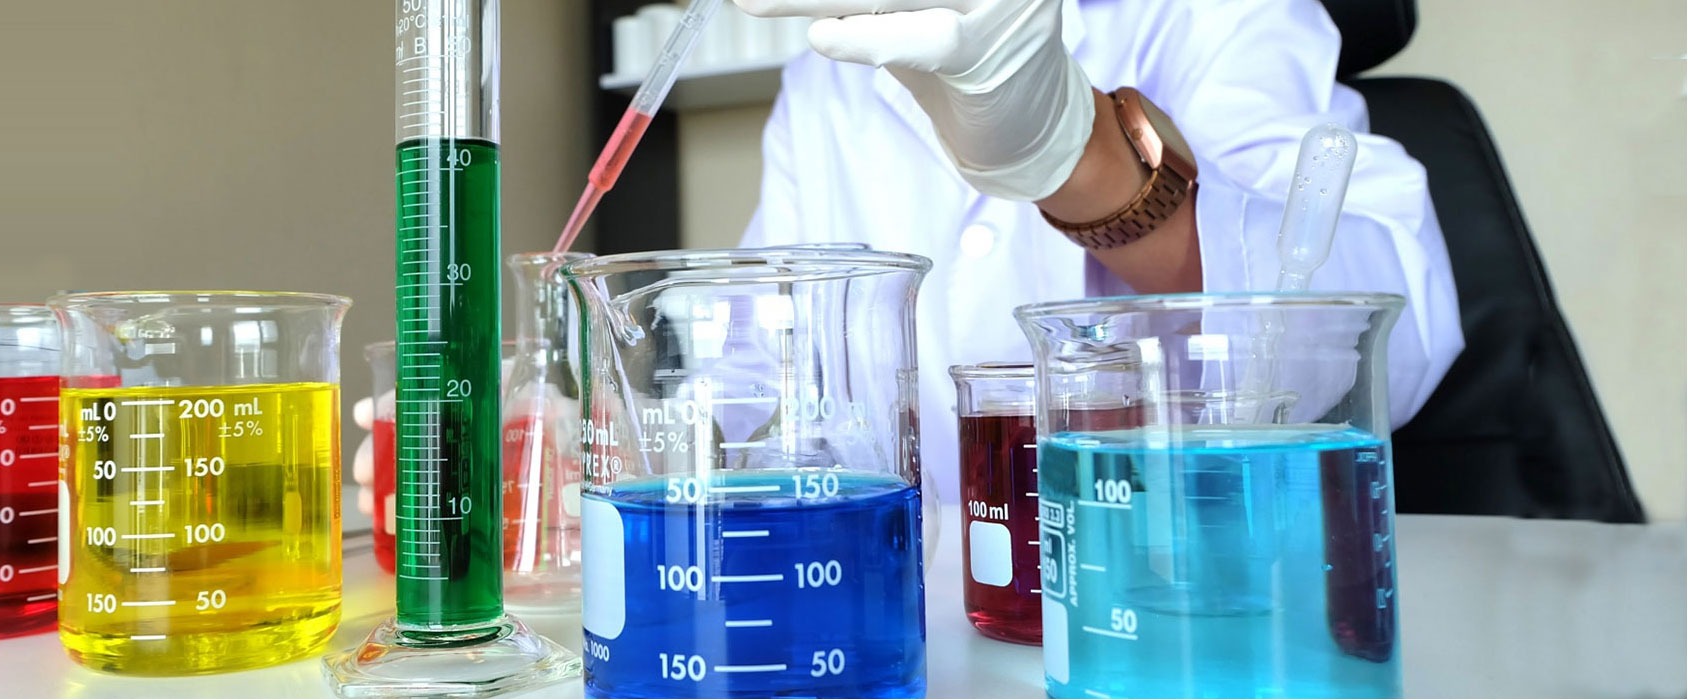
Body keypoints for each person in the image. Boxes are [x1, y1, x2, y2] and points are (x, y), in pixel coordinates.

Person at [356, 0, 1463, 508]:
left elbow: (1388, 343)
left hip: (1182, 606)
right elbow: (753, 376)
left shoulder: (1217, 15)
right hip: (930, 625)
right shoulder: (825, 84)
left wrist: (1082, 159)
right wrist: (587, 443)